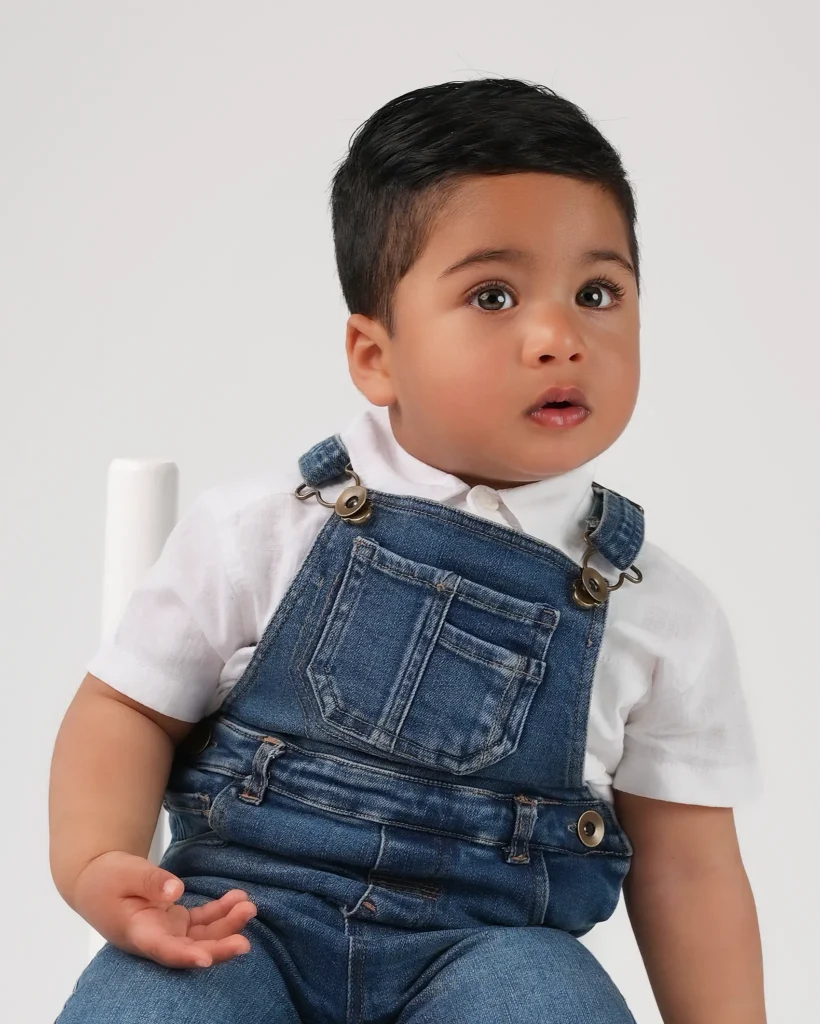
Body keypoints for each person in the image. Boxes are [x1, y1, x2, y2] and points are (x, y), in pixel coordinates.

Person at [50, 77, 765, 1023]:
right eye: (494, 294)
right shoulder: (267, 526)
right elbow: (127, 707)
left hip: (492, 949)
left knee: (551, 1009)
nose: (558, 337)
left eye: (598, 292)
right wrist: (100, 862)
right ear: (375, 355)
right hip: (237, 922)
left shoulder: (658, 610)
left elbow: (690, 868)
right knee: (152, 1009)